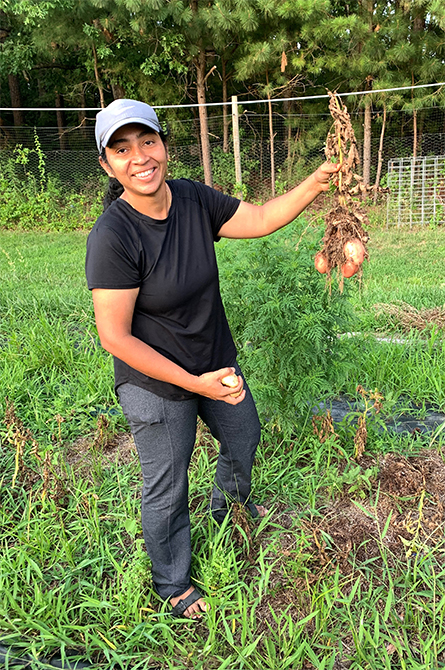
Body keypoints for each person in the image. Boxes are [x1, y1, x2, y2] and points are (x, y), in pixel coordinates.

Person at [85, 99, 339, 620]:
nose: (140, 157)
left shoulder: (193, 200)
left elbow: (264, 218)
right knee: (166, 484)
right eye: (122, 148)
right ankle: (173, 582)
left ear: (164, 145)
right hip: (154, 381)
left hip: (214, 361)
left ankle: (228, 510)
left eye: (147, 141)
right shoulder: (114, 236)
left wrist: (318, 180)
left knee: (244, 436)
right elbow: (115, 337)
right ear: (108, 164)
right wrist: (195, 385)